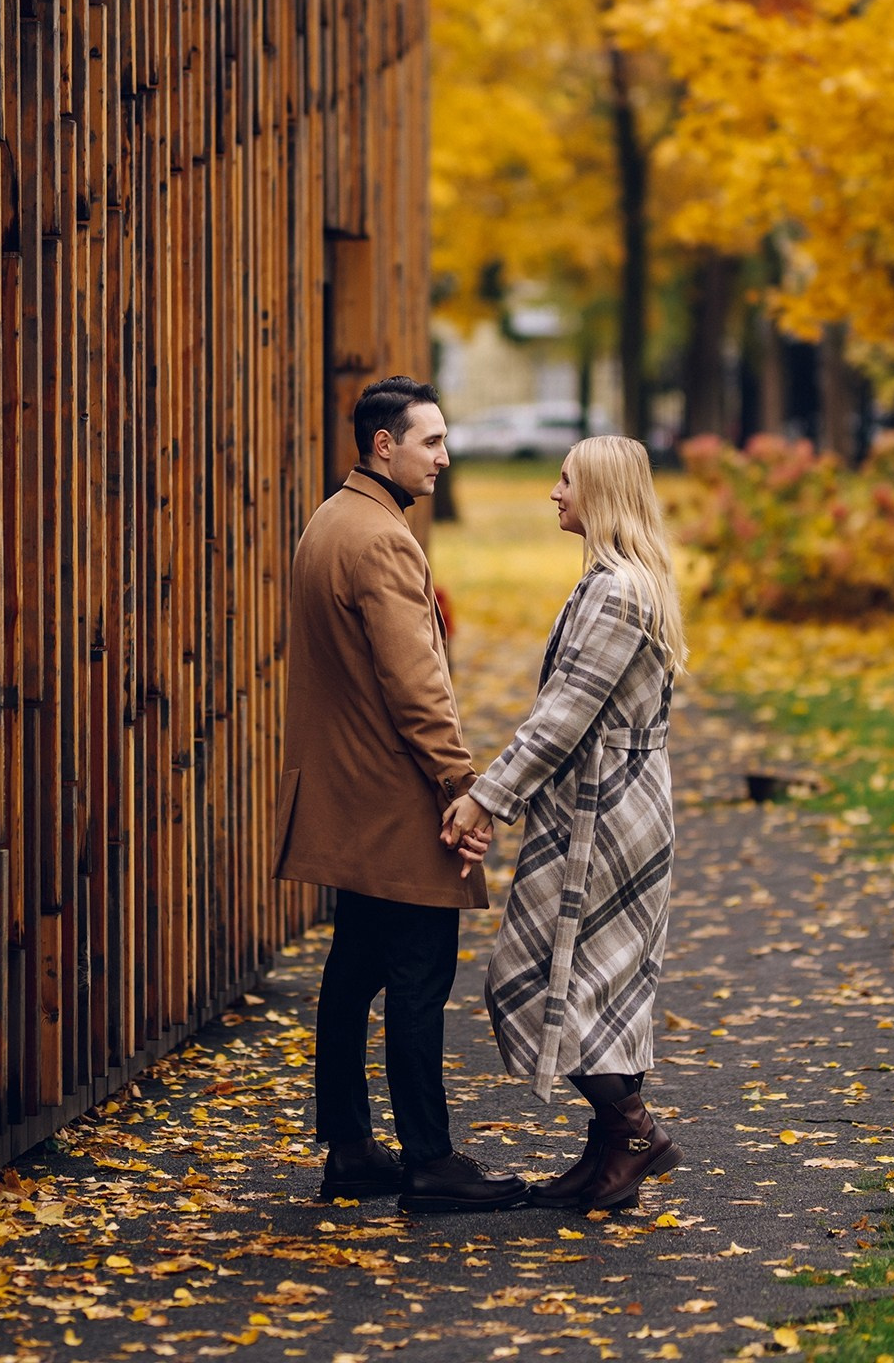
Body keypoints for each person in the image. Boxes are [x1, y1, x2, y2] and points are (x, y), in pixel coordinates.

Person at [273, 376, 528, 1215]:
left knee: (352, 973)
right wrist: (465, 785)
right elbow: (416, 686)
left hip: (349, 796)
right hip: (394, 801)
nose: (445, 458)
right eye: (432, 442)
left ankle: (349, 1147)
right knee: (419, 977)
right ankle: (429, 1160)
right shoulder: (383, 540)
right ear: (384, 444)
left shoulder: (328, 520)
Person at [441, 436, 685, 1212]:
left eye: (566, 480)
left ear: (603, 494)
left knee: (538, 977)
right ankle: (611, 1150)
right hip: (610, 797)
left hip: (608, 807)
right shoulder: (618, 582)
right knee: (595, 983)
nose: (553, 491)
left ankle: (634, 1129)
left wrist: (486, 796)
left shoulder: (619, 592)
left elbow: (564, 716)